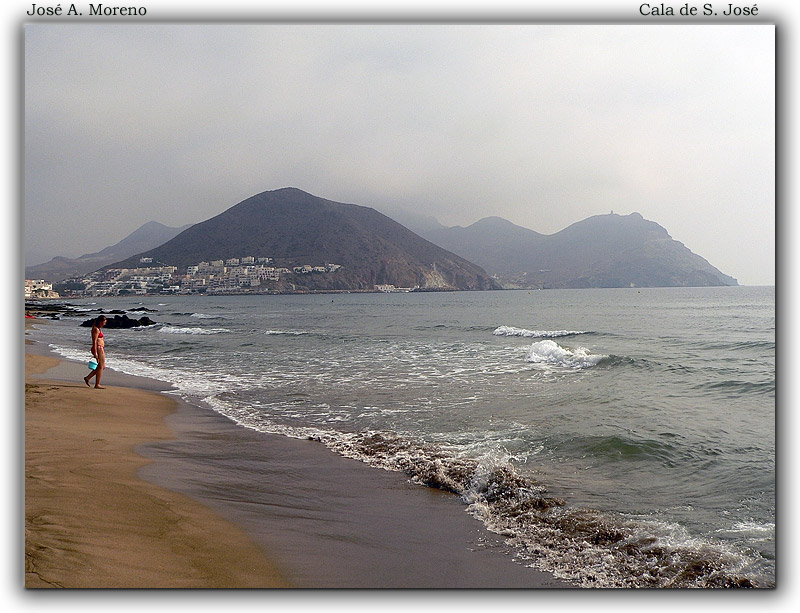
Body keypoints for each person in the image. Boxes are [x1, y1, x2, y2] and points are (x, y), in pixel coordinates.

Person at [83, 315, 107, 389]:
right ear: (100, 322)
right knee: (100, 366)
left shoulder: (99, 329)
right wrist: (95, 352)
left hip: (100, 348)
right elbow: (94, 341)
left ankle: (88, 378)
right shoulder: (96, 329)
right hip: (98, 348)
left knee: (102, 366)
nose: (105, 324)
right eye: (104, 322)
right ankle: (97, 384)